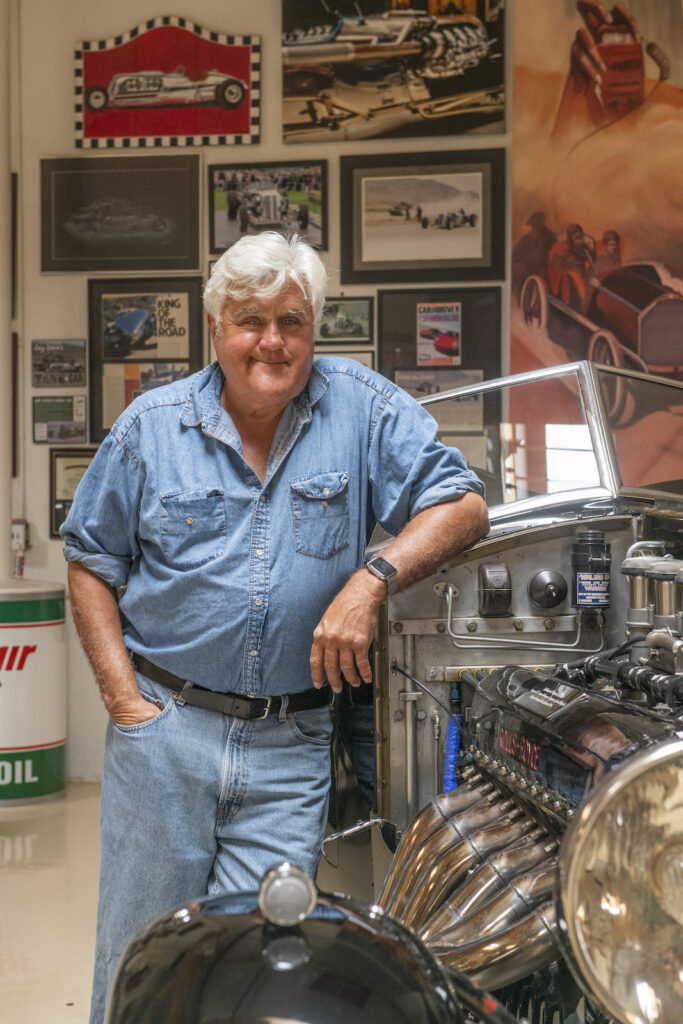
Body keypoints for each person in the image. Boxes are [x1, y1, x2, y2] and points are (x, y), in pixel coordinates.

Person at [61, 232, 488, 1024]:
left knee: (265, 964)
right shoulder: (151, 428)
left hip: (290, 748)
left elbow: (461, 503)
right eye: (250, 320)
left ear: (313, 329)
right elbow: (90, 562)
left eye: (291, 321)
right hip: (168, 734)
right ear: (216, 325)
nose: (272, 341)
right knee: (140, 959)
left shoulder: (358, 407)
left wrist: (371, 579)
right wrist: (127, 705)